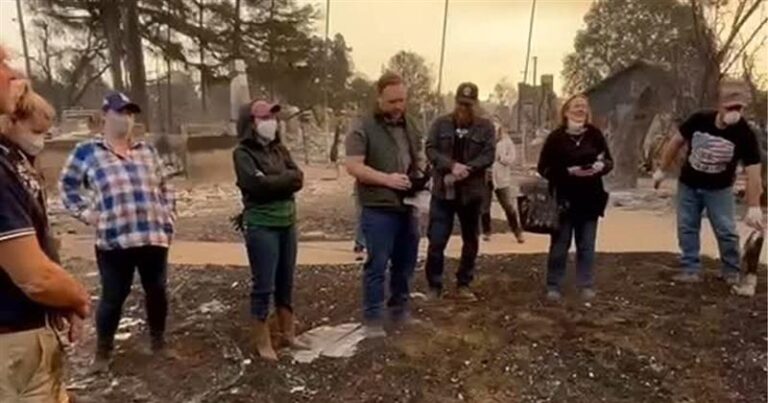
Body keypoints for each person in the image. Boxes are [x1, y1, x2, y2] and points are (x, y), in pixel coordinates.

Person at [59, 91, 176, 372]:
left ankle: (158, 342)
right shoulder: (87, 152)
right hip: (113, 238)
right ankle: (103, 352)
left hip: (151, 235)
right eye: (120, 112)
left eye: (130, 113)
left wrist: (168, 216)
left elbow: (165, 185)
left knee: (157, 290)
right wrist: (87, 214)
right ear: (105, 116)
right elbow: (67, 186)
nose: (126, 118)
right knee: (113, 294)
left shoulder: (146, 151)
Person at [0, 68, 91, 401]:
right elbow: (35, 276)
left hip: (28, 325)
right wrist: (76, 297)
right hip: (11, 341)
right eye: (37, 130)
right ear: (12, 121)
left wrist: (58, 299)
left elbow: (39, 245)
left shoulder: (17, 163)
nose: (10, 73)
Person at [654, 79, 765, 284]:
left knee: (726, 230)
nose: (734, 110)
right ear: (719, 105)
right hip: (689, 184)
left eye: (739, 106)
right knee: (687, 226)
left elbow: (754, 172)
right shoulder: (699, 119)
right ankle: (690, 269)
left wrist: (754, 205)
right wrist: (662, 169)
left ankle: (731, 271)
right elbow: (676, 142)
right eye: (730, 105)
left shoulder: (745, 134)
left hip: (719, 189)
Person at [345, 72, 427, 337]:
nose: (398, 107)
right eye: (392, 101)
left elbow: (419, 157)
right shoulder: (362, 126)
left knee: (406, 261)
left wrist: (421, 175)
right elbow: (353, 165)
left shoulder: (410, 124)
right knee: (377, 263)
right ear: (379, 98)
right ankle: (372, 318)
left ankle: (399, 310)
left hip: (408, 205)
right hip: (378, 206)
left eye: (402, 100)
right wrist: (387, 180)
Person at [233, 100, 305, 361]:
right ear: (252, 123)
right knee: (264, 284)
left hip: (287, 222)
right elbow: (255, 185)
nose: (271, 122)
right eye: (264, 118)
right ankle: (263, 341)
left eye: (273, 117)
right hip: (262, 225)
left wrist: (273, 181)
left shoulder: (279, 149)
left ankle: (288, 333)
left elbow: (298, 177)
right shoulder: (242, 153)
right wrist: (283, 181)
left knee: (286, 281)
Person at [537, 94, 613, 301]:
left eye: (584, 107)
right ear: (566, 111)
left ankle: (585, 285)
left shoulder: (595, 135)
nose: (580, 109)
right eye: (576, 106)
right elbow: (543, 168)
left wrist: (601, 166)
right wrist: (567, 172)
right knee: (560, 245)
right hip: (563, 200)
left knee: (586, 245)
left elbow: (609, 161)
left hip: (590, 199)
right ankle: (553, 285)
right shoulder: (556, 138)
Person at [424, 82, 495, 302]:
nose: (465, 108)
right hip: (443, 191)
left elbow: (488, 154)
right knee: (437, 239)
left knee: (470, 239)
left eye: (469, 104)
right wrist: (450, 165)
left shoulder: (486, 127)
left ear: (476, 104)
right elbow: (430, 148)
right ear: (455, 102)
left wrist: (469, 169)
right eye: (462, 104)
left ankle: (464, 282)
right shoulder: (440, 124)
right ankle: (434, 285)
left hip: (471, 192)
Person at [480, 126, 525, 243]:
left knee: (508, 205)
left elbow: (511, 158)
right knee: (484, 206)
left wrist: (502, 158)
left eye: (496, 129)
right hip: (485, 178)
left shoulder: (507, 141)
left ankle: (517, 231)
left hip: (501, 178)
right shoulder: (483, 140)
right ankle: (486, 231)